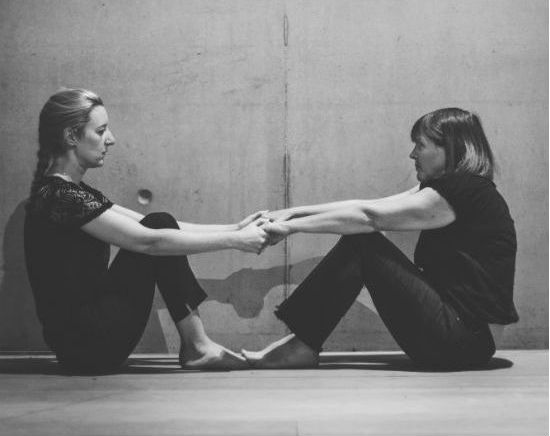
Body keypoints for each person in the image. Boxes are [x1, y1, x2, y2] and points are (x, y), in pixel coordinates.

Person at [244, 108, 519, 370]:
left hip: (463, 340)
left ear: (450, 147)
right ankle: (301, 344)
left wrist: (292, 228)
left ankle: (300, 346)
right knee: (362, 238)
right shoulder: (457, 189)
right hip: (465, 337)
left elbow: (370, 218)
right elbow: (367, 206)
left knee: (363, 242)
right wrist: (290, 214)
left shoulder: (464, 192)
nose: (412, 154)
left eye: (420, 145)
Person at [24, 88, 269, 373]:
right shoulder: (60, 197)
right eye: (101, 130)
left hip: (81, 343)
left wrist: (236, 227)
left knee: (159, 221)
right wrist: (235, 241)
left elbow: (151, 224)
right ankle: (197, 346)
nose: (111, 139)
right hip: (87, 343)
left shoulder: (67, 192)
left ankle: (197, 345)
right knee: (157, 232)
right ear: (71, 137)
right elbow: (148, 242)